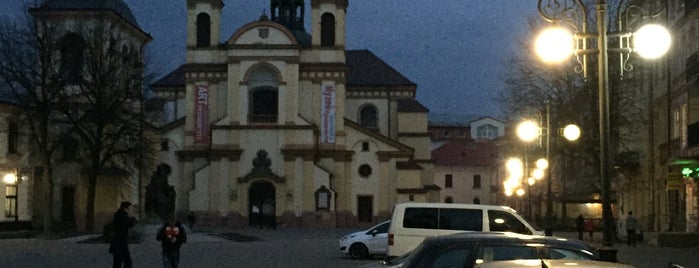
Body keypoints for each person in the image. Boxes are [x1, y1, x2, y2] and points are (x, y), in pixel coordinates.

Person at [110, 201, 137, 268]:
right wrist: (133, 218)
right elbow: (129, 224)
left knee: (117, 262)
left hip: (117, 241)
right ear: (125, 208)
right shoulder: (123, 215)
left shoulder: (118, 214)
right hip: (121, 241)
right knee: (127, 261)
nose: (129, 210)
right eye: (129, 208)